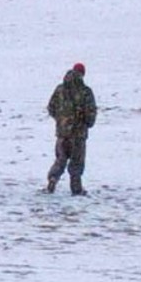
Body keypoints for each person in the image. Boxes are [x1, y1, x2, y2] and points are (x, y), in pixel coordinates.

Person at [45, 63, 97, 196]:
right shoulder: (85, 91)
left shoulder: (60, 89)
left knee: (60, 159)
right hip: (78, 134)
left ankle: (53, 178)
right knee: (76, 163)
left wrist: (60, 120)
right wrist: (87, 124)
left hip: (62, 134)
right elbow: (91, 113)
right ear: (82, 74)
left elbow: (51, 107)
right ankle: (76, 188)